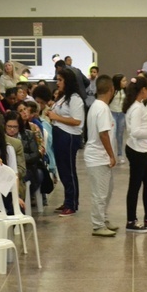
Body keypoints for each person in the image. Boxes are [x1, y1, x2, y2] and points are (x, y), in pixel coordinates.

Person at [123, 76, 147, 233]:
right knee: (135, 185)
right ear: (143, 90)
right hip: (137, 151)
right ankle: (131, 221)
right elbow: (135, 132)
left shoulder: (137, 105)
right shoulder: (137, 108)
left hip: (142, 150)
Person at [45, 68, 85, 217]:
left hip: (69, 137)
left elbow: (77, 121)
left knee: (69, 170)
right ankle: (68, 200)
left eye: (60, 80)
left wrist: (56, 117)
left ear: (68, 81)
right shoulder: (63, 97)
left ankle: (72, 204)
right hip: (60, 134)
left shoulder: (75, 98)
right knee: (62, 170)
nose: (58, 83)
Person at [84, 75, 118, 237]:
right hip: (98, 157)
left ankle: (103, 219)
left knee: (106, 191)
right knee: (100, 193)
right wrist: (112, 155)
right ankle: (98, 225)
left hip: (99, 156)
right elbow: (103, 134)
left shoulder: (96, 106)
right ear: (111, 90)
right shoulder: (102, 108)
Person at [109, 74, 127, 162]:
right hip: (113, 113)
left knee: (120, 135)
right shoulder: (112, 90)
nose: (125, 82)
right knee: (112, 133)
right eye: (123, 81)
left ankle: (120, 154)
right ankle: (111, 153)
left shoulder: (125, 91)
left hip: (122, 114)